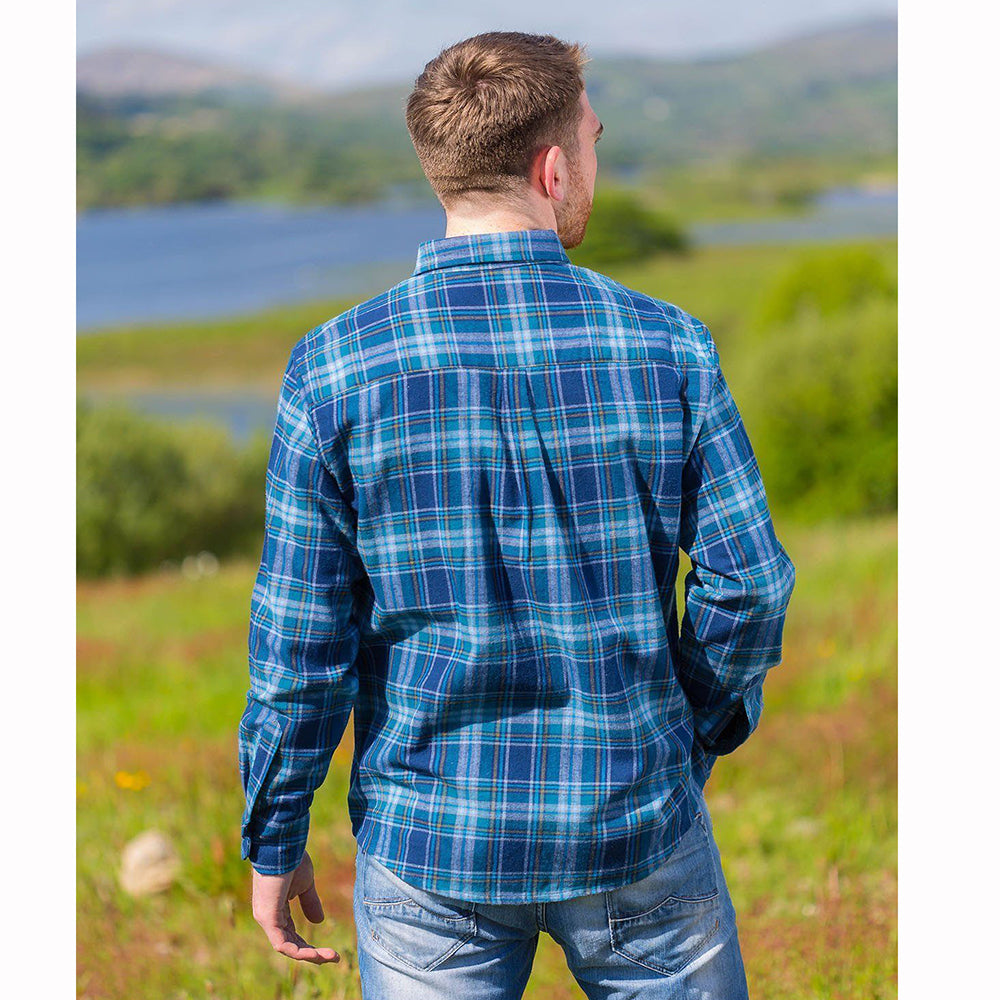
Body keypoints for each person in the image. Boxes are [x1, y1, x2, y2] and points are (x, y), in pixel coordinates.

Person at [238, 30, 796, 998]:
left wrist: (275, 833)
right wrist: (684, 737)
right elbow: (747, 588)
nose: (594, 159)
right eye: (593, 138)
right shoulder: (669, 347)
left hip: (429, 846)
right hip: (635, 820)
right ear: (551, 167)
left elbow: (300, 648)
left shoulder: (330, 367)